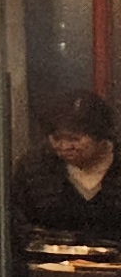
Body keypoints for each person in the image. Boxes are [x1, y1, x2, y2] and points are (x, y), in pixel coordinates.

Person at [13, 91, 121, 247]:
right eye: (56, 139)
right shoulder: (34, 168)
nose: (64, 146)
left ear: (101, 138)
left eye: (74, 139)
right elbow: (19, 226)